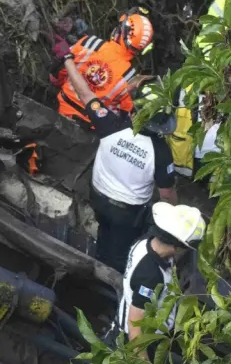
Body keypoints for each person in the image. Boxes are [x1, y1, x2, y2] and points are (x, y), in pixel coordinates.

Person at [84, 99, 177, 268]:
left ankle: (99, 257)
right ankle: (112, 280)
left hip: (98, 198)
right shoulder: (161, 152)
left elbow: (85, 94)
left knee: (104, 231)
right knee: (121, 254)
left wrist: (71, 70)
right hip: (127, 214)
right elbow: (167, 196)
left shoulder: (112, 124)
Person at [121, 202, 205, 340]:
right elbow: (135, 326)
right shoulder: (151, 276)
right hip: (143, 337)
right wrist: (142, 360)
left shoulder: (147, 241)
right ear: (177, 248)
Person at [57, 9, 153, 122]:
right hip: (93, 125)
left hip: (62, 109)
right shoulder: (131, 79)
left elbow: (63, 70)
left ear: (120, 32)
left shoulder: (91, 43)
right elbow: (125, 114)